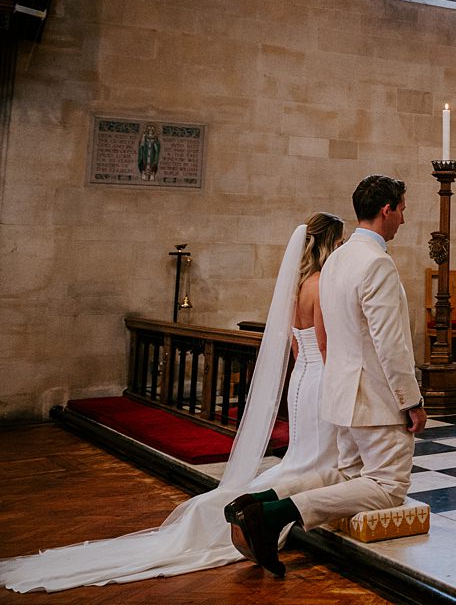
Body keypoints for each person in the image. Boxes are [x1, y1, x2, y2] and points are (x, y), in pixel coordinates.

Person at [0, 215, 345, 592]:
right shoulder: (321, 285)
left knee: (301, 455)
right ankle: (257, 510)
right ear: (330, 243)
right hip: (321, 378)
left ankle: (240, 504)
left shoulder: (294, 287)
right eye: (340, 241)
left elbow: (297, 346)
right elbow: (327, 346)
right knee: (316, 458)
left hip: (301, 381)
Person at [225, 175, 425, 578]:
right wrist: (411, 400)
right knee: (388, 488)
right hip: (376, 400)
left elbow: (329, 334)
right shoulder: (376, 263)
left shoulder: (336, 260)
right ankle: (273, 514)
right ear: (386, 209)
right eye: (402, 209)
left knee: (346, 475)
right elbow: (390, 343)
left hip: (339, 394)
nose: (404, 218)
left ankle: (260, 499)